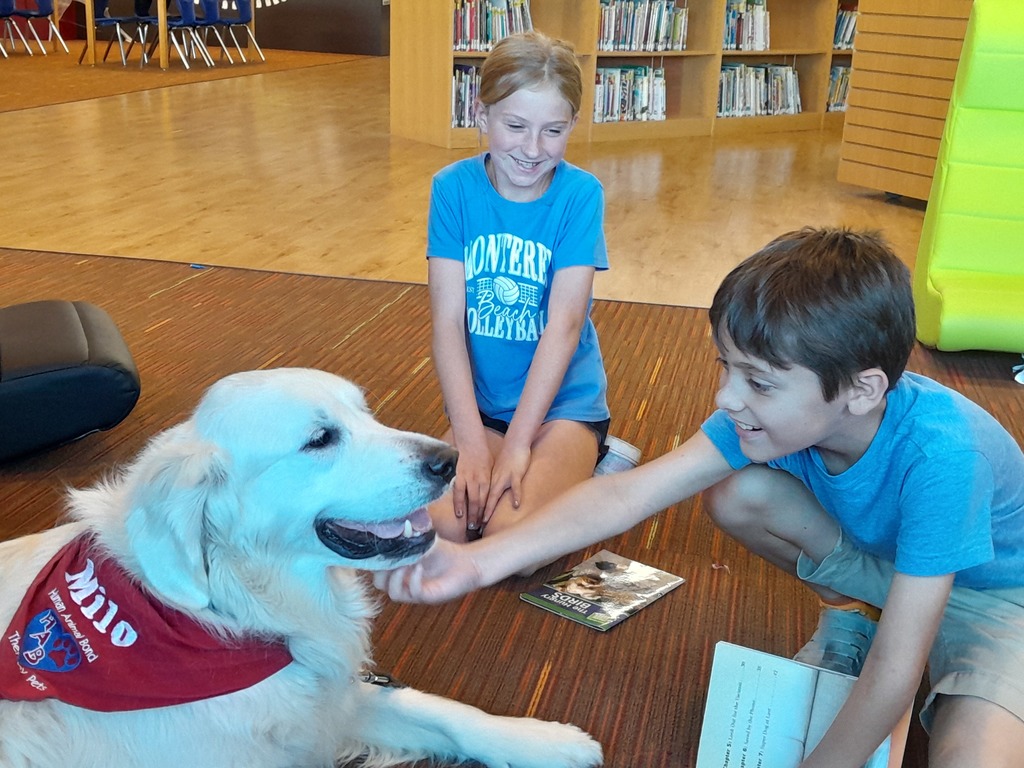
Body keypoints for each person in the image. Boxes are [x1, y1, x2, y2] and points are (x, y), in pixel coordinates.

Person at [379, 227, 1024, 768]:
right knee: (738, 492)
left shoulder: (945, 458)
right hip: (893, 570)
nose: (726, 397)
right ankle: (851, 609)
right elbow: (625, 495)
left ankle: (900, 632)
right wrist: (475, 562)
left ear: (860, 390)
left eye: (760, 382)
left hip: (997, 603)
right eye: (726, 366)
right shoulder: (770, 416)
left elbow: (895, 668)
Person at [425, 30, 639, 551]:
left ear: (571, 128)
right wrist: (471, 439)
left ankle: (597, 459)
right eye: (516, 126)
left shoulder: (580, 194)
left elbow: (564, 327)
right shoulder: (451, 188)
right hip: (485, 406)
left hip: (565, 406)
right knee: (444, 529)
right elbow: (447, 323)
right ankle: (540, 468)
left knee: (508, 539)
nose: (531, 149)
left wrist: (520, 443)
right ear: (482, 116)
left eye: (553, 131)